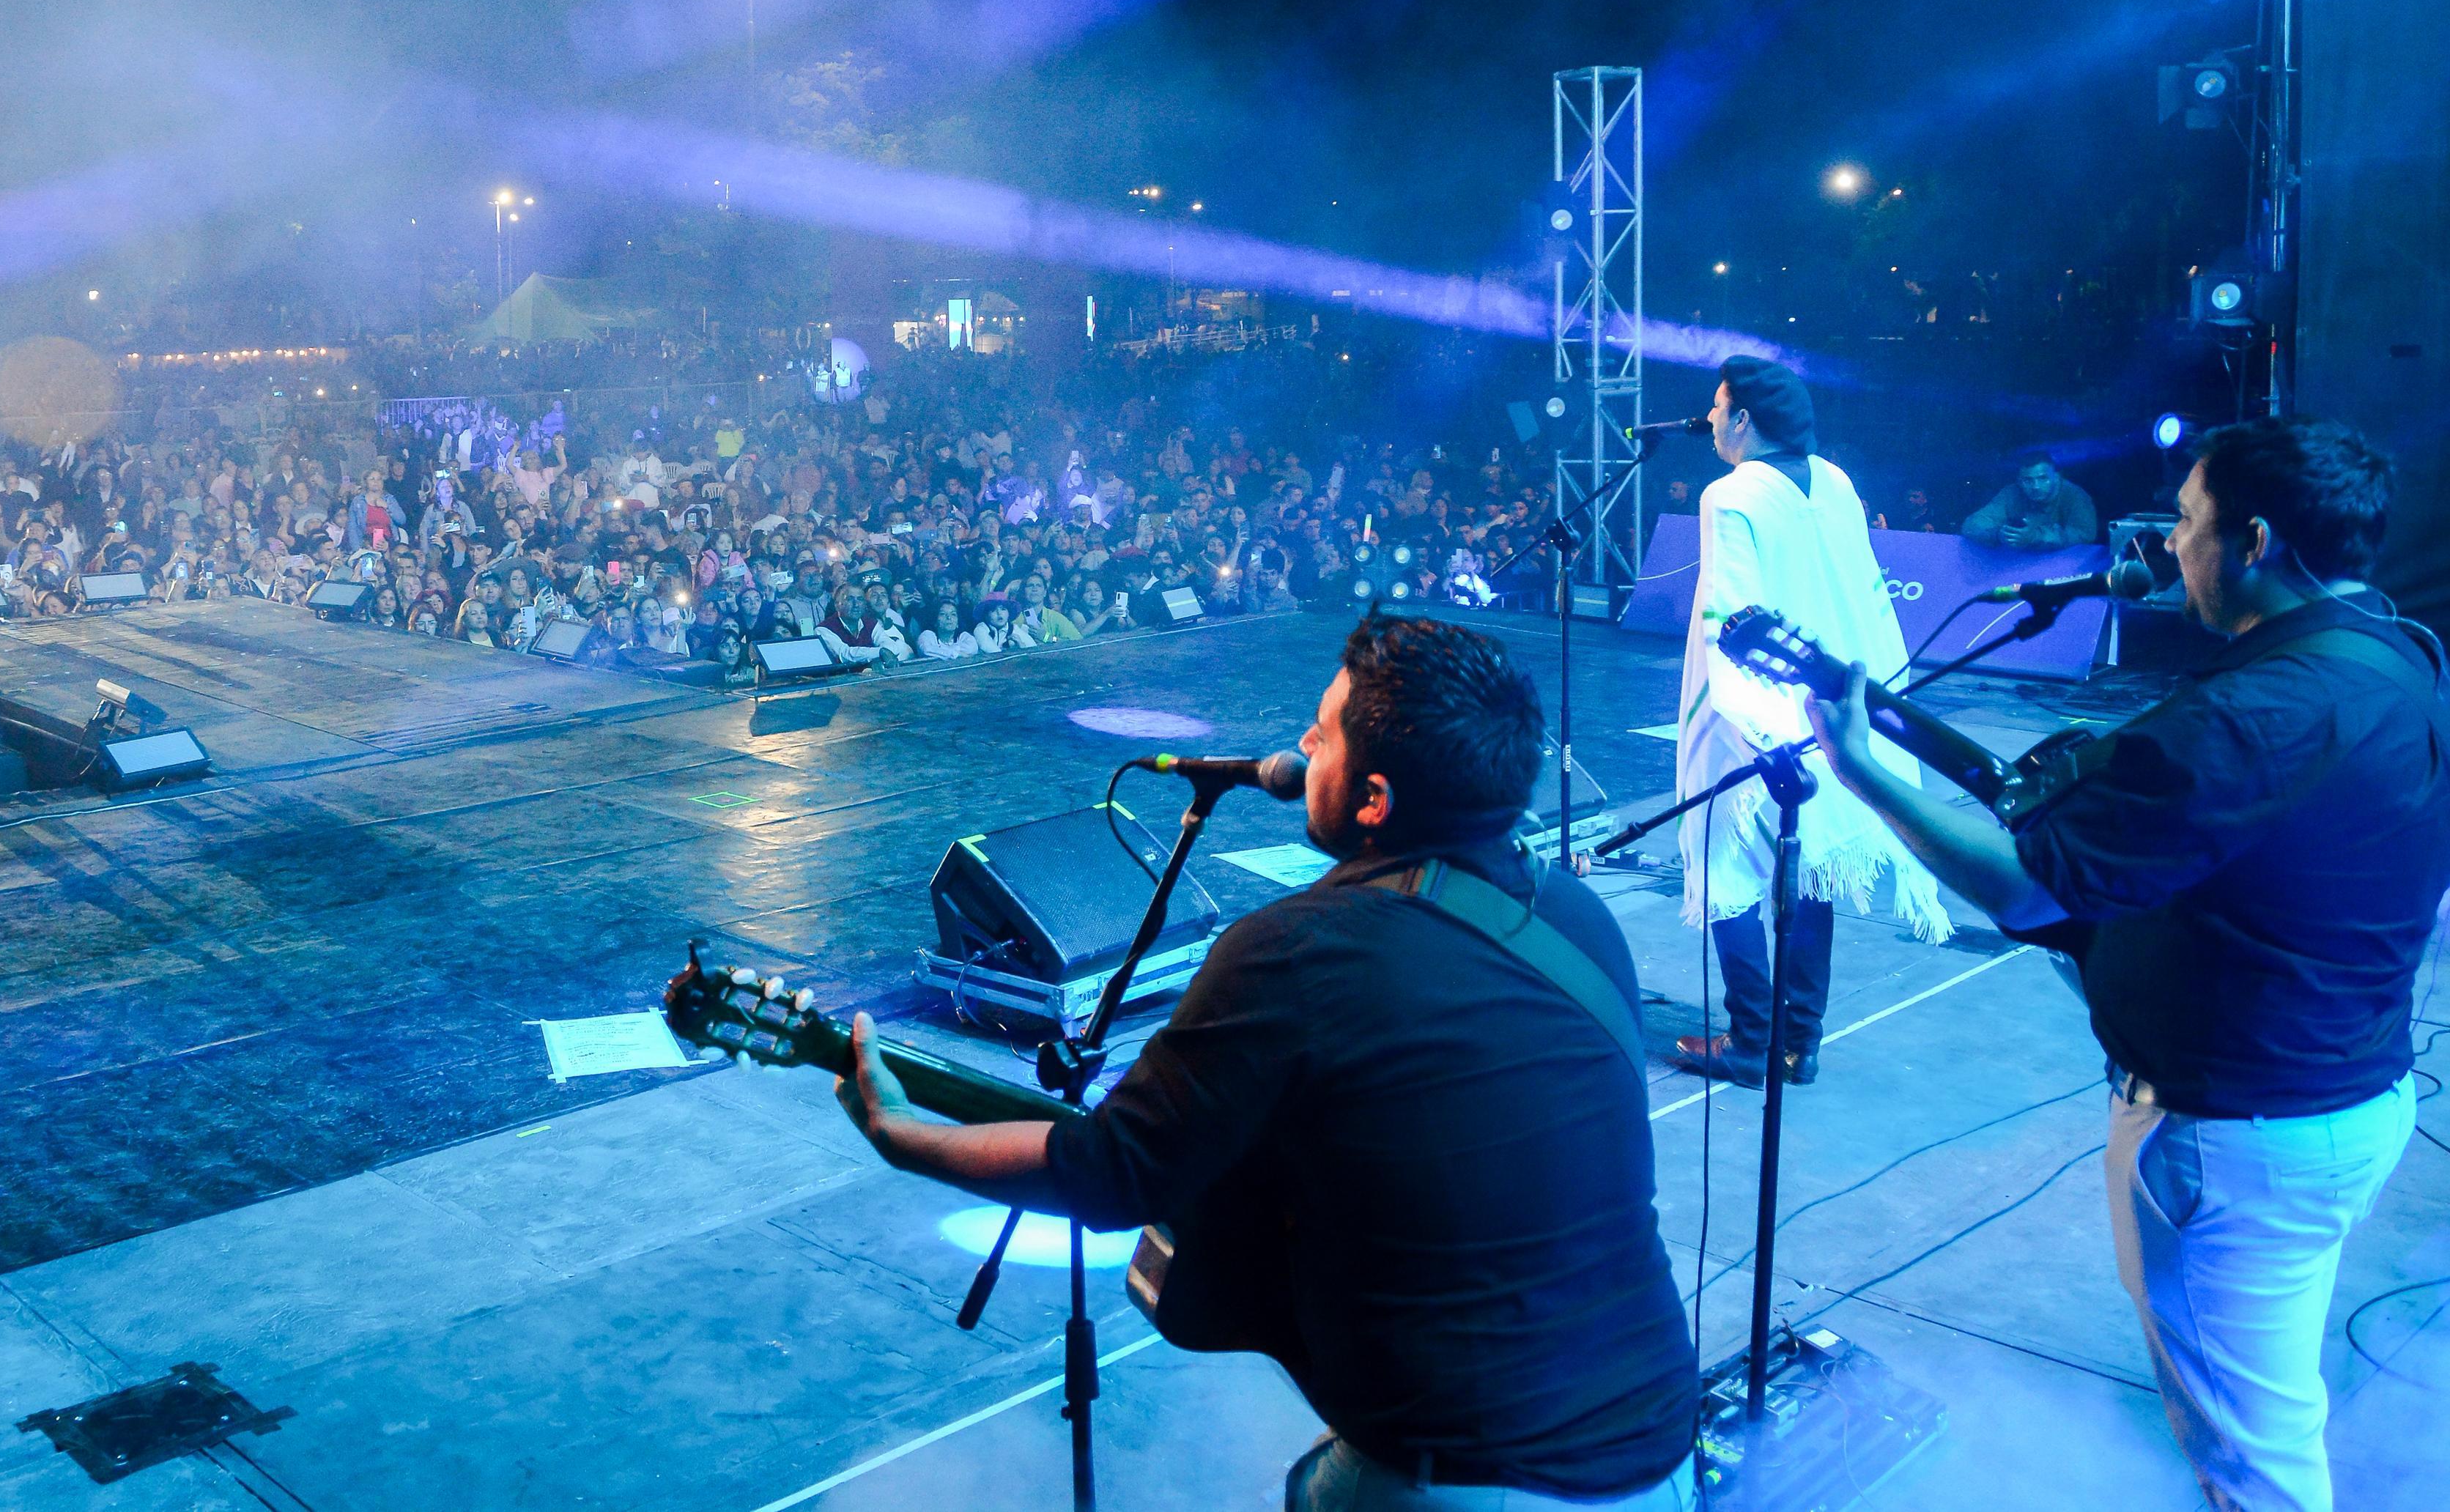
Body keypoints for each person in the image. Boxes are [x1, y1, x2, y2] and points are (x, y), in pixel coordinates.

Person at [830, 615, 1698, 1508]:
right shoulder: (1575, 917)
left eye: (1321, 735)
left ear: (1371, 799)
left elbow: (1109, 1174)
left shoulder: (1296, 953)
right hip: (1658, 1449)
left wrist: (903, 1134)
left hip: (1471, 1476)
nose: (1299, 746)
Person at [1807, 415, 2448, 1512]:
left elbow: (2021, 884)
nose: (2164, 545)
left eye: (2187, 523)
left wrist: (1859, 768)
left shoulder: (2243, 720)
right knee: (2267, 1400)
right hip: (2348, 1085)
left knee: (2257, 1458)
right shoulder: (2398, 650)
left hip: (2240, 1137)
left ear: (2252, 538)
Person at [1672, 357, 1947, 1090]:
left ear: (1742, 418)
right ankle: (1798, 1045)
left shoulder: (1729, 495)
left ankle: (1748, 1040)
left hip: (1752, 708)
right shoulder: (1834, 480)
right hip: (1834, 701)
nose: (1707, 415)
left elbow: (1731, 615)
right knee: (1811, 862)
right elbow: (1860, 592)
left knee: (1722, 862)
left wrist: (1749, 725)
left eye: (1717, 403)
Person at [1961, 450, 2099, 552]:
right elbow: (1972, 525)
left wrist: (2035, 536)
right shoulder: (2011, 493)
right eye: (2028, 480)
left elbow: (2084, 535)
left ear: (2057, 477)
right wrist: (1998, 535)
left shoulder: (2076, 496)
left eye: (2043, 478)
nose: (2036, 487)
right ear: (2019, 481)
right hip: (2021, 566)